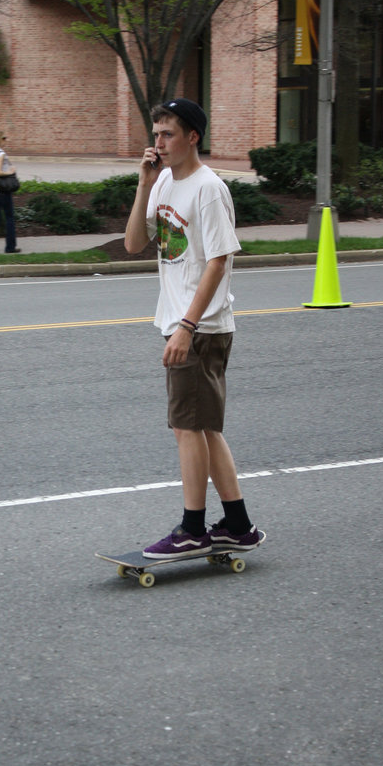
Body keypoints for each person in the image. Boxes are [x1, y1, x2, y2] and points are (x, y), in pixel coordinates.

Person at [124, 98, 264, 559]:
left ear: (192, 138)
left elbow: (219, 260)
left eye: (167, 134)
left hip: (200, 326)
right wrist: (144, 185)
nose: (158, 143)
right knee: (202, 428)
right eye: (156, 133)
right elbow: (133, 244)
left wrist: (187, 326)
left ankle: (192, 529)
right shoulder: (163, 179)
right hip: (182, 321)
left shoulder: (208, 189)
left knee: (187, 428)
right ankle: (238, 525)